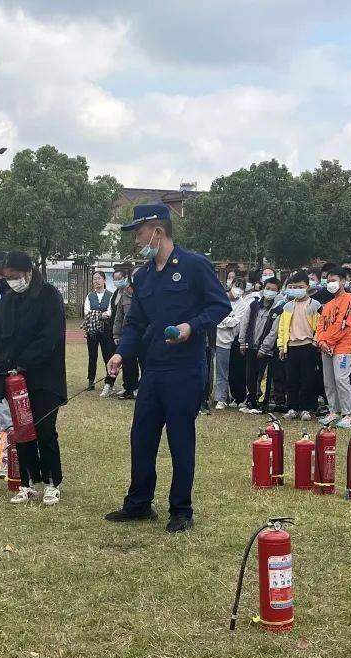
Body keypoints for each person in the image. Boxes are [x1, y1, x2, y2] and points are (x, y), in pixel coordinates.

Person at [104, 203, 230, 533]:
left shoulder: (194, 265)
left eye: (140, 232)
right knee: (141, 436)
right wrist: (120, 353)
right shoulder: (143, 276)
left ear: (157, 232)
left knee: (180, 438)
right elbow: (134, 322)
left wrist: (192, 326)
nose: (136, 240)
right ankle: (139, 503)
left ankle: (181, 509)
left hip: (185, 368)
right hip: (154, 368)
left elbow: (220, 304)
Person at [0, 251, 67, 504]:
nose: (11, 282)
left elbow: (50, 337)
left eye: (15, 277)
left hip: (44, 378)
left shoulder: (48, 296)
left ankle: (52, 482)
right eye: (7, 278)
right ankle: (27, 483)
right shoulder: (6, 302)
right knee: (22, 430)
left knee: (45, 429)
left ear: (28, 272)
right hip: (13, 380)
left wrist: (23, 364)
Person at [314, 266, 351, 429]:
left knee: (341, 379)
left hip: (343, 348)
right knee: (329, 381)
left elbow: (343, 325)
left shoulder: (349, 300)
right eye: (328, 280)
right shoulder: (328, 304)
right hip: (326, 347)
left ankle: (349, 414)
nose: (330, 283)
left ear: (343, 281)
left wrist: (329, 342)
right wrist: (321, 342)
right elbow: (320, 325)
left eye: (334, 280)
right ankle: (334, 411)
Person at [277, 272, 321, 420]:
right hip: (291, 346)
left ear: (307, 287)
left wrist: (316, 342)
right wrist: (282, 347)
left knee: (307, 378)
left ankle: (306, 408)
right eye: (293, 287)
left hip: (308, 345)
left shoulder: (315, 305)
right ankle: (292, 407)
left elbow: (320, 326)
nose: (297, 290)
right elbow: (282, 328)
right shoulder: (288, 306)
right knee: (291, 379)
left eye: (300, 287)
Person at [237, 275, 282, 414]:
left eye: (273, 290)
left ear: (278, 292)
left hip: (265, 350)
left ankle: (261, 402)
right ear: (263, 289)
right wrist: (242, 342)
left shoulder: (278, 310)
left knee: (262, 376)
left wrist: (265, 348)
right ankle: (250, 400)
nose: (269, 291)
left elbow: (274, 331)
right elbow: (245, 323)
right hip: (250, 346)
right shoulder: (253, 304)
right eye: (267, 288)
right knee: (250, 374)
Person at [212, 271, 252, 409]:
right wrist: (227, 321)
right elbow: (216, 317)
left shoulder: (244, 305)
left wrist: (225, 321)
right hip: (219, 339)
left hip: (233, 340)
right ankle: (221, 398)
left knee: (235, 371)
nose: (238, 289)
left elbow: (238, 322)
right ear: (231, 284)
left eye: (242, 287)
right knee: (221, 371)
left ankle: (237, 396)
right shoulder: (220, 298)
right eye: (237, 285)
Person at [83, 271, 117, 397]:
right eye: (94, 279)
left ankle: (110, 382)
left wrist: (98, 314)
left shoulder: (110, 295)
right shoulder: (89, 296)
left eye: (98, 278)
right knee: (92, 356)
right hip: (92, 330)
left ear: (104, 280)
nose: (96, 281)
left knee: (107, 355)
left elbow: (110, 311)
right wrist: (100, 315)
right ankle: (90, 381)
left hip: (106, 330)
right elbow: (87, 312)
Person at [111, 267, 140, 399]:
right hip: (128, 334)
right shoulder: (124, 295)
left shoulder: (148, 293)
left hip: (145, 335)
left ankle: (143, 389)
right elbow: (119, 316)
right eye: (134, 275)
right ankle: (129, 388)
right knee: (128, 363)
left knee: (145, 363)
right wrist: (116, 334)